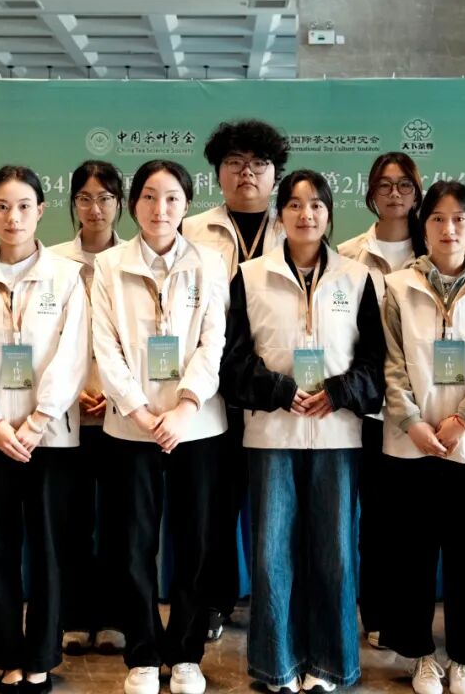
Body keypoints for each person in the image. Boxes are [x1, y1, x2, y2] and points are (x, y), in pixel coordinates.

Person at [220, 170, 384, 693]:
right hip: (272, 435)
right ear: (280, 213)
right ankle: (278, 666)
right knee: (273, 554)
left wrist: (338, 392)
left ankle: (331, 665)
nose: (305, 214)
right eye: (293, 204)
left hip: (337, 436)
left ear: (329, 213)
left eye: (316, 205)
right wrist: (278, 390)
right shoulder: (250, 276)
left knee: (334, 553)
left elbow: (376, 363)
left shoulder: (358, 278)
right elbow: (233, 360)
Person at [0, 165, 90, 693]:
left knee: (49, 548)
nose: (13, 217)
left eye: (24, 206)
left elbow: (74, 353)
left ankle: (43, 655)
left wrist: (39, 419)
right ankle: (7, 653)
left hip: (50, 435)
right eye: (2, 207)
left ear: (41, 211)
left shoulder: (66, 277)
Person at [90, 160, 229, 694]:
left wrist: (186, 406)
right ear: (133, 205)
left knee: (195, 544)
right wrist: (141, 412)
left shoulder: (210, 262)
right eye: (149, 197)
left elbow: (213, 341)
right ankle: (143, 653)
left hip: (197, 426)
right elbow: (105, 346)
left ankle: (187, 653)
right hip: (132, 428)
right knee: (133, 544)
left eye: (172, 198)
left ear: (186, 204)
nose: (160, 208)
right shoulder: (110, 265)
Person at [379, 180, 465, 694]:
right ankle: (420, 656)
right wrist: (413, 422)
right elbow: (391, 364)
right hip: (410, 445)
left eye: (459, 219)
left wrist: (463, 420)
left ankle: (464, 658)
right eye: (437, 218)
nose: (448, 228)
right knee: (411, 557)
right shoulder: (397, 286)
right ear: (424, 225)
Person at [181, 119, 291, 640]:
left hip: (273, 387)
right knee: (213, 505)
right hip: (209, 391)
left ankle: (277, 601)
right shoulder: (191, 230)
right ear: (217, 174)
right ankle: (213, 600)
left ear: (275, 175)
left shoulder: (294, 224)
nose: (247, 173)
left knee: (275, 505)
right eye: (234, 163)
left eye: (258, 164)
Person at [336, 152, 426, 649]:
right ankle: (375, 614)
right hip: (371, 408)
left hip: (424, 406)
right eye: (385, 185)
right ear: (370, 193)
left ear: (417, 192)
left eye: (404, 185)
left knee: (412, 520)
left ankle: (405, 616)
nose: (395, 194)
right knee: (372, 516)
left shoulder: (436, 246)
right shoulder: (348, 254)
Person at [48, 160, 127, 655]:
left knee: (120, 521)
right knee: (70, 520)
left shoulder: (133, 259)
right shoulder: (54, 262)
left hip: (121, 413)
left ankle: (115, 616)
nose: (94, 208)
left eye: (104, 198)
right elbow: (44, 338)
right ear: (72, 203)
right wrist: (71, 389)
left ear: (120, 203)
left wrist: (116, 391)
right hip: (67, 412)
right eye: (84, 198)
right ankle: (74, 616)